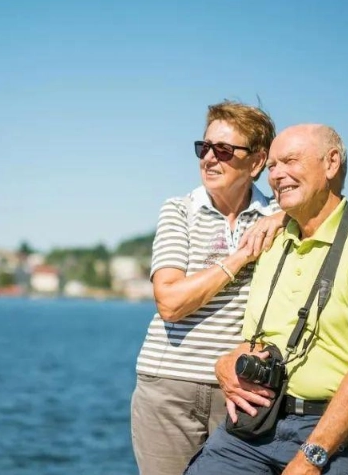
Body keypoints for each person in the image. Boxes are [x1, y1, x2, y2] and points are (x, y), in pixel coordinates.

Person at [184, 124, 348, 475]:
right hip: (258, 422)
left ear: (331, 163)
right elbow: (255, 340)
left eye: (290, 161)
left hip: (338, 433)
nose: (276, 175)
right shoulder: (273, 241)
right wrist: (226, 363)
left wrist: (310, 460)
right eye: (273, 166)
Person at [131, 100, 287, 475]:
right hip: (167, 389)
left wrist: (284, 215)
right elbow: (169, 302)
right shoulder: (178, 210)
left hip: (242, 390)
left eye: (223, 150)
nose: (209, 159)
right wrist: (238, 259)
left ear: (256, 162)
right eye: (204, 148)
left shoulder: (280, 219)